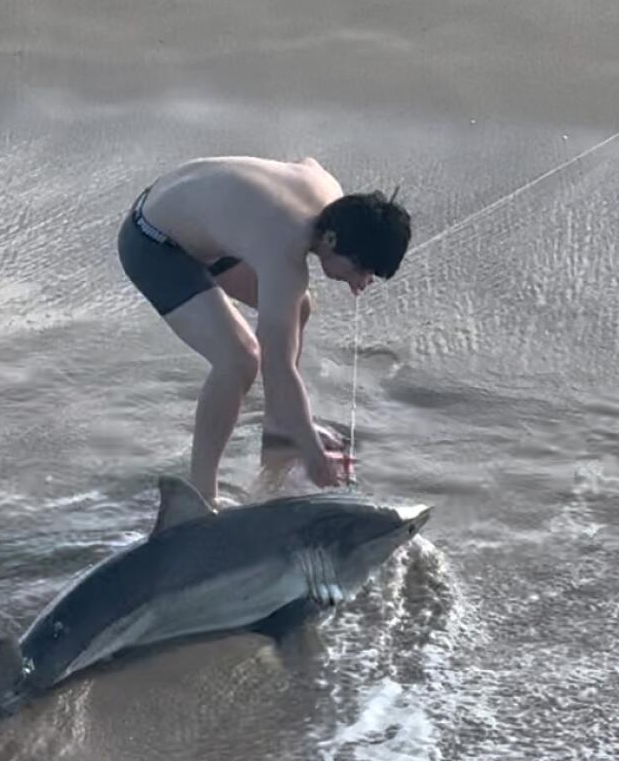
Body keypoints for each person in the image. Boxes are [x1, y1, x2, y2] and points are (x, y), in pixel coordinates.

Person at [116, 155, 411, 506]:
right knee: (240, 358)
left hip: (195, 220)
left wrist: (300, 432)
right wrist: (314, 455)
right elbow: (278, 366)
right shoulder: (284, 248)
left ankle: (279, 432)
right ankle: (199, 498)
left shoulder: (330, 193)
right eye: (361, 269)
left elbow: (305, 161)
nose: (361, 283)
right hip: (153, 241)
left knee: (298, 306)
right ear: (330, 239)